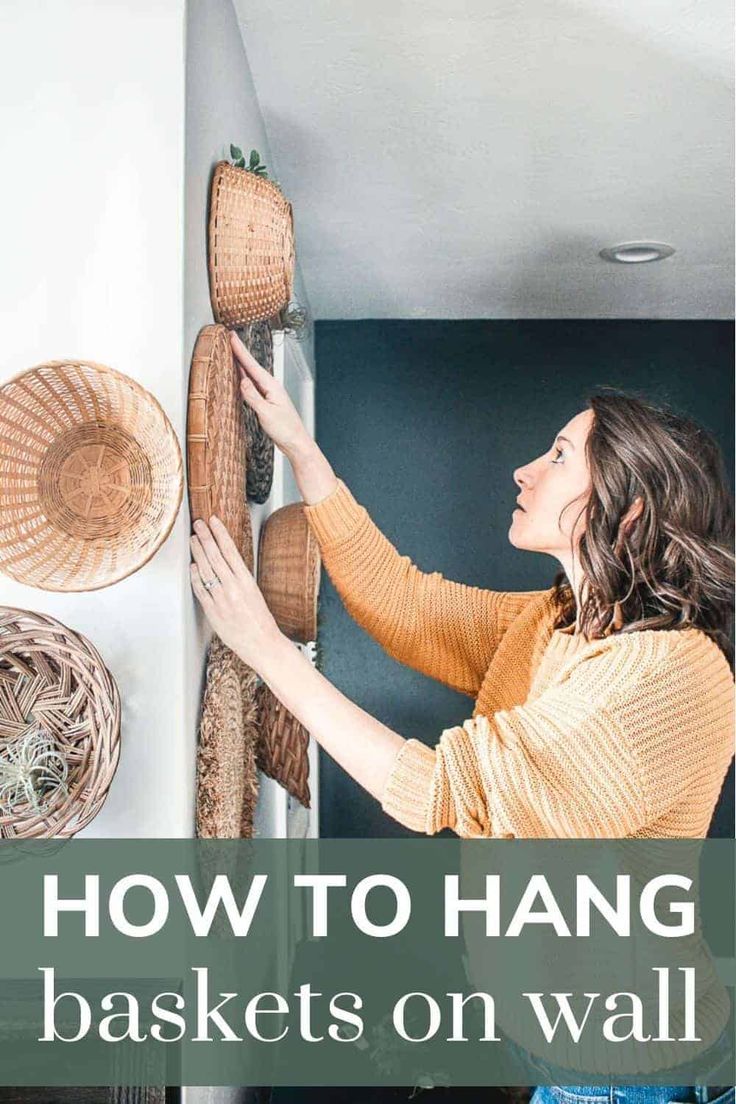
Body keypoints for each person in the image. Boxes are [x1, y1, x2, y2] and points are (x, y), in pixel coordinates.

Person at [189, 331, 735, 1101]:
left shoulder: (667, 680)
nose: (524, 471)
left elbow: (437, 785)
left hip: (627, 1081)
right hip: (568, 1062)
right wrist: (304, 458)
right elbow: (409, 606)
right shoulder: (558, 624)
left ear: (627, 510)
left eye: (557, 458)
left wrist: (268, 653)